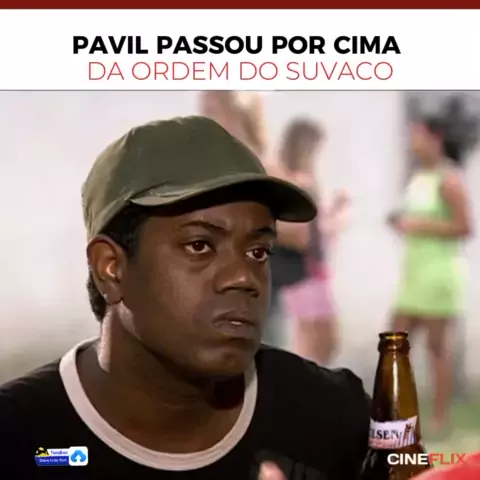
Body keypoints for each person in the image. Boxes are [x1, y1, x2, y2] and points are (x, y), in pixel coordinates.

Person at [0, 116, 370, 479]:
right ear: (111, 268)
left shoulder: (335, 419)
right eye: (199, 245)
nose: (243, 277)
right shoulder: (19, 437)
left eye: (258, 251)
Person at [389, 115, 473, 435]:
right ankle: (398, 414)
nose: (413, 143)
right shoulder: (418, 176)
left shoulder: (449, 179)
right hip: (414, 273)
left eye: (418, 136)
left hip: (439, 274)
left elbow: (465, 227)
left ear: (435, 139)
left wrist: (420, 225)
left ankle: (439, 418)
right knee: (395, 342)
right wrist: (401, 222)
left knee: (437, 347)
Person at [266, 119, 350, 365]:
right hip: (294, 267)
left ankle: (310, 380)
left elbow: (313, 223)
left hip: (314, 265)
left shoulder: (306, 175)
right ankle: (299, 382)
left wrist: (334, 212)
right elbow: (293, 225)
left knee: (326, 339)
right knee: (305, 337)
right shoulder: (279, 171)